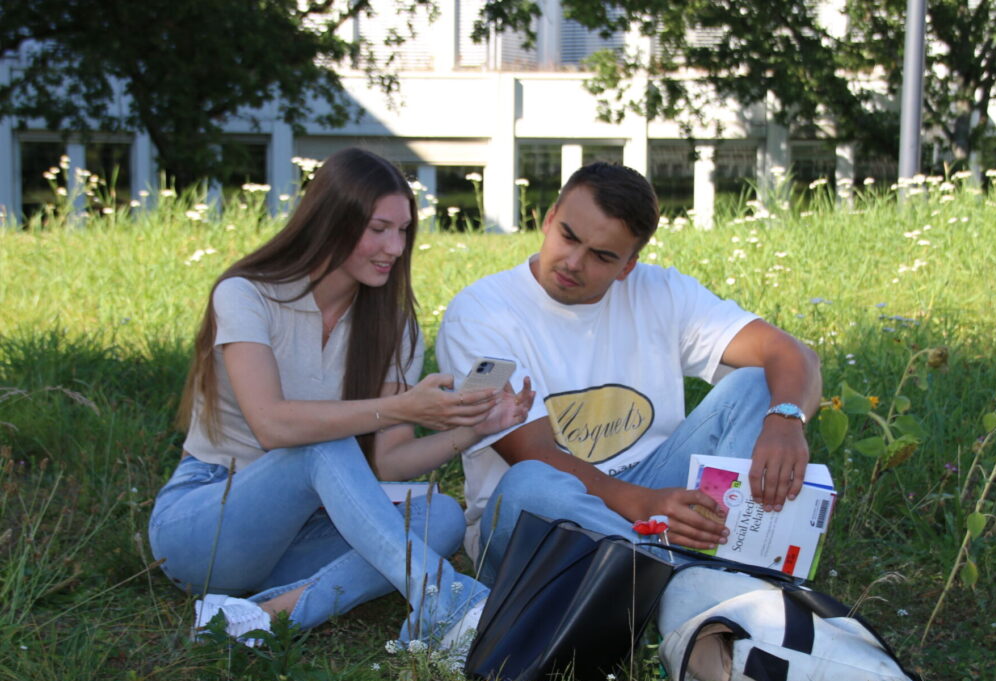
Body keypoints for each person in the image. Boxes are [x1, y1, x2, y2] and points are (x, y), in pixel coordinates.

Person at [148, 148, 533, 650]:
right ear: (330, 220)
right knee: (322, 443)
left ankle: (260, 618)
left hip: (302, 534)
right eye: (378, 229)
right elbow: (273, 426)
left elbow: (390, 461)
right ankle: (447, 600)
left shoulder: (395, 327)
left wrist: (472, 428)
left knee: (442, 516)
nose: (394, 247)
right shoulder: (246, 294)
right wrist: (402, 407)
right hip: (209, 521)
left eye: (403, 232)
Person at [436, 162, 821, 584]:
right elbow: (533, 453)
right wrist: (642, 505)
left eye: (602, 256)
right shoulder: (480, 313)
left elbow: (791, 353)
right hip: (546, 514)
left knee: (754, 384)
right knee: (529, 484)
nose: (573, 262)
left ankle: (701, 555)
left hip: (656, 485)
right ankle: (692, 577)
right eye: (568, 236)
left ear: (627, 266)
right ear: (548, 220)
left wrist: (785, 419)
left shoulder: (662, 292)